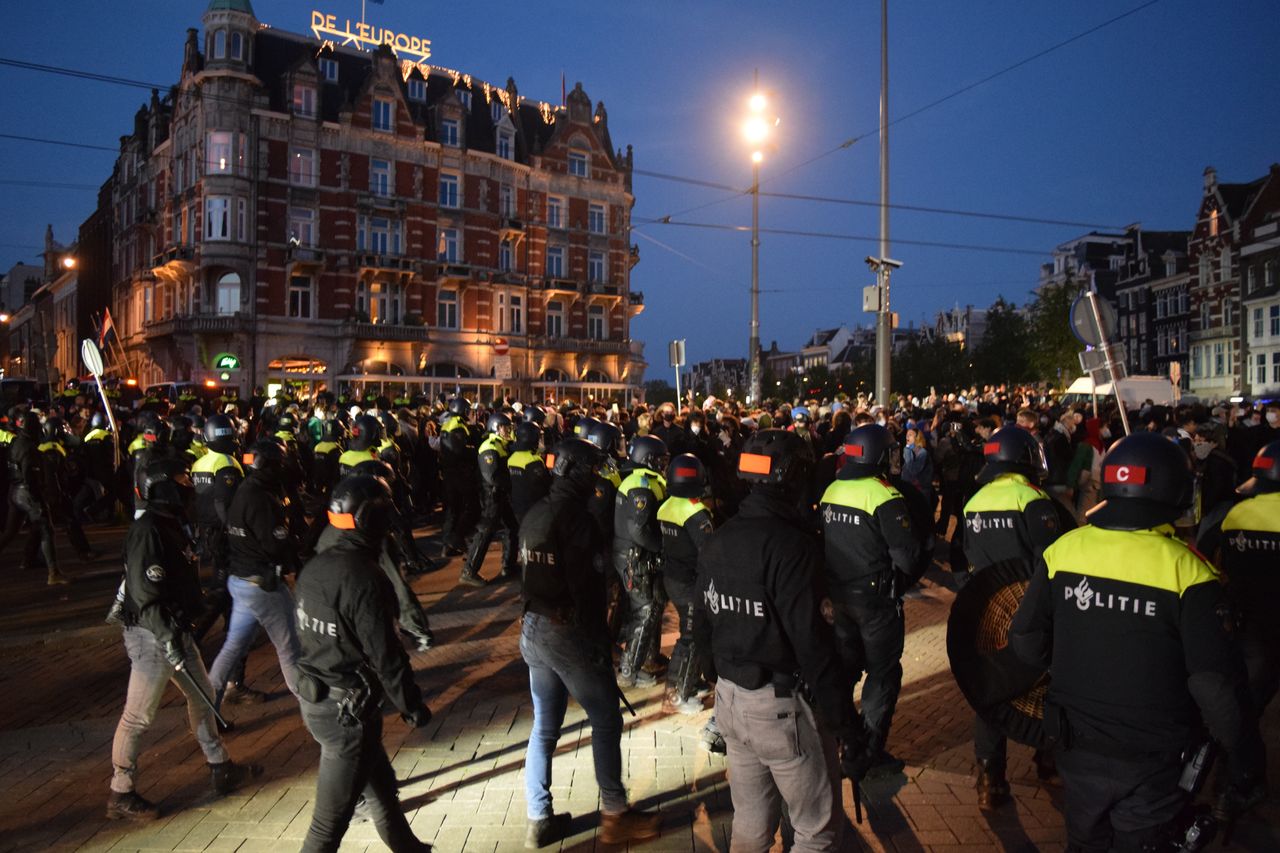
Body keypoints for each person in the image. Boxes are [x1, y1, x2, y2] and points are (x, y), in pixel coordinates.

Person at [1010, 432, 1264, 852]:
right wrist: (1243, 759)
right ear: (1175, 490)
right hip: (1153, 756)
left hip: (1076, 745)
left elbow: (1025, 639)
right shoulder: (1190, 571)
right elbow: (1214, 687)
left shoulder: (1063, 551)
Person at [699, 429, 855, 851]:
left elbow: (701, 624)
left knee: (751, 824)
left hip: (730, 700)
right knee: (815, 830)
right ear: (793, 478)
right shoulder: (794, 547)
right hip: (780, 709)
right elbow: (814, 645)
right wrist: (847, 724)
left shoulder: (717, 537)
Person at [518, 437, 660, 848]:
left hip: (533, 626)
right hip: (567, 630)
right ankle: (616, 814)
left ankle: (538, 817)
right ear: (578, 472)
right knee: (605, 717)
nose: (598, 477)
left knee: (545, 727)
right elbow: (587, 589)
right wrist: (601, 641)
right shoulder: (576, 519)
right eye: (593, 470)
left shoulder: (535, 511)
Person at [108, 458, 260, 821]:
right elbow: (146, 597)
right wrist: (168, 639)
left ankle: (220, 766)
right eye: (180, 480)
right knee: (139, 715)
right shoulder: (147, 531)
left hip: (173, 628)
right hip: (152, 633)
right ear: (160, 487)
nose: (188, 486)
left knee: (203, 697)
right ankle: (120, 791)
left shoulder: (169, 523)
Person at [294, 474, 434, 852]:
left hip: (320, 698)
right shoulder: (365, 577)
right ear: (373, 519)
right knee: (326, 829)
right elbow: (386, 655)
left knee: (382, 790)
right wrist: (411, 705)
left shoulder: (315, 568)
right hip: (346, 716)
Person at [960, 425, 1069, 805]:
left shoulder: (974, 501)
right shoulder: (1032, 498)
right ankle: (1048, 761)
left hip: (989, 610)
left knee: (991, 692)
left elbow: (967, 557)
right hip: (1030, 608)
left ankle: (991, 777)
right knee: (1050, 687)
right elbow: (1052, 558)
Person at [818, 424, 922, 778]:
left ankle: (836, 736)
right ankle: (866, 751)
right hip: (876, 603)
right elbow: (906, 557)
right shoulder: (885, 495)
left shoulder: (833, 489)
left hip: (838, 600)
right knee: (883, 674)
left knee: (844, 670)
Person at [1197, 439, 1280, 790]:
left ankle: (1236, 779)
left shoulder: (1236, 514)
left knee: (1245, 705)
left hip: (1248, 624)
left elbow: (1203, 555)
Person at [206, 439, 303, 707]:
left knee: (233, 646)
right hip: (262, 585)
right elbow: (274, 544)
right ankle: (315, 709)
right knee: (291, 648)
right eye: (279, 464)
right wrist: (293, 547)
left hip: (241, 580)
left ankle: (206, 708)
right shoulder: (260, 498)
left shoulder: (244, 489)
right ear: (270, 466)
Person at [657, 453, 716, 714]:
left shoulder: (666, 505)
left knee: (692, 633)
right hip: (690, 582)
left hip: (672, 578)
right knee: (690, 636)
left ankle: (691, 681)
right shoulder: (695, 511)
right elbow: (709, 549)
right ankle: (678, 694)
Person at [613, 435, 669, 687]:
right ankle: (629, 670)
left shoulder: (641, 481)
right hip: (636, 558)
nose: (663, 464)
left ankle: (649, 659)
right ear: (648, 458)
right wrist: (662, 547)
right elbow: (639, 530)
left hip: (639, 557)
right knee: (644, 612)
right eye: (660, 459)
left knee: (653, 606)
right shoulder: (641, 485)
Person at [0, 411, 68, 583]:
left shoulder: (16, 442)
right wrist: (38, 497)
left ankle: (29, 560)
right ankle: (54, 573)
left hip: (14, 491)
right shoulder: (29, 447)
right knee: (46, 528)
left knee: (10, 532)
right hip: (26, 491)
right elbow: (29, 473)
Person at [460, 412, 519, 586]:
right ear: (495, 427)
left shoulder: (502, 444)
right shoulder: (489, 446)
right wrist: (512, 483)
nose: (508, 431)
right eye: (505, 427)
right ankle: (469, 571)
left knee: (512, 527)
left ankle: (508, 565)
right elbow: (492, 476)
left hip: (501, 494)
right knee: (485, 532)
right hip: (491, 496)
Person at [507, 420, 550, 525]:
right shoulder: (533, 460)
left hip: (517, 506)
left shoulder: (512, 457)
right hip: (533, 509)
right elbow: (545, 485)